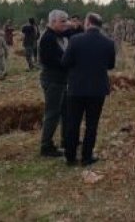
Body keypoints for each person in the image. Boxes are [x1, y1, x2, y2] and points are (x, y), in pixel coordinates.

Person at [61, 13, 116, 166]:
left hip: (76, 88)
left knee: (73, 123)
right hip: (97, 89)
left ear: (88, 23)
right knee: (92, 124)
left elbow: (65, 62)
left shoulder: (75, 40)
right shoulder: (109, 43)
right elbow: (110, 65)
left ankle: (70, 157)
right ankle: (86, 156)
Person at [38, 10, 73, 157]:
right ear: (53, 22)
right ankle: (46, 146)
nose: (66, 24)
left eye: (66, 20)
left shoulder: (58, 35)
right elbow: (52, 61)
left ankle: (66, 140)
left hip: (61, 80)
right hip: (53, 80)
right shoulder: (48, 38)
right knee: (53, 113)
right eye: (63, 21)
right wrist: (69, 62)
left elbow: (72, 34)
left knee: (65, 110)